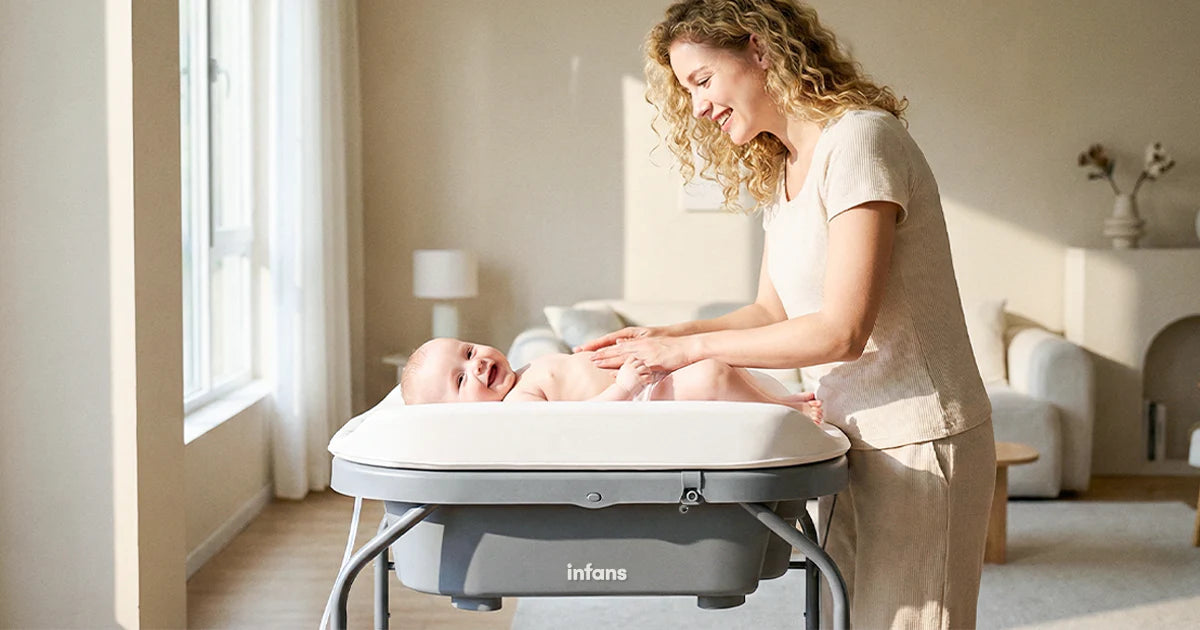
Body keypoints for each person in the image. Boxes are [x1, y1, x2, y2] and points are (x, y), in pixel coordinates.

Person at [576, 1, 996, 628]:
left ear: (761, 49)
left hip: (919, 436)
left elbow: (842, 331)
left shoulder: (861, 139)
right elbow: (769, 311)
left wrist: (690, 354)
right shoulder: (784, 170)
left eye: (702, 80)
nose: (696, 107)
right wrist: (667, 335)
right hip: (847, 436)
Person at [398, 337, 822, 421]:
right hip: (638, 401)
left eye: (469, 352)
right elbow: (577, 422)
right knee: (712, 373)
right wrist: (624, 386)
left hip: (640, 383)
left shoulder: (522, 374)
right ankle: (787, 410)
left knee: (716, 364)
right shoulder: (515, 410)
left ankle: (773, 397)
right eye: (460, 380)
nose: (476, 365)